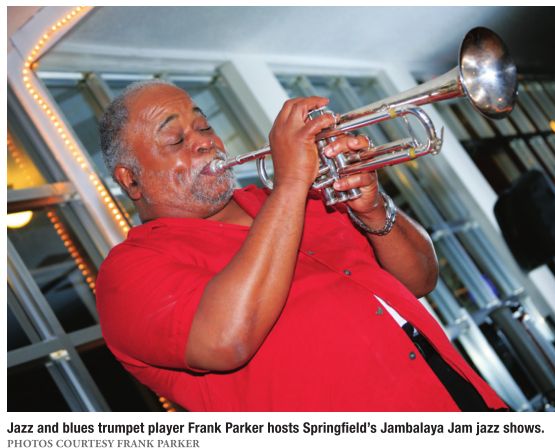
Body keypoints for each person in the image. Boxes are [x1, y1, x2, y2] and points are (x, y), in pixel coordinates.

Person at [96, 80, 507, 411]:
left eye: (204, 127)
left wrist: (374, 209)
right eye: (175, 139)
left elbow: (421, 279)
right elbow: (226, 339)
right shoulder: (127, 273)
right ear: (131, 180)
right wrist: (291, 180)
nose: (205, 143)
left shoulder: (303, 197)